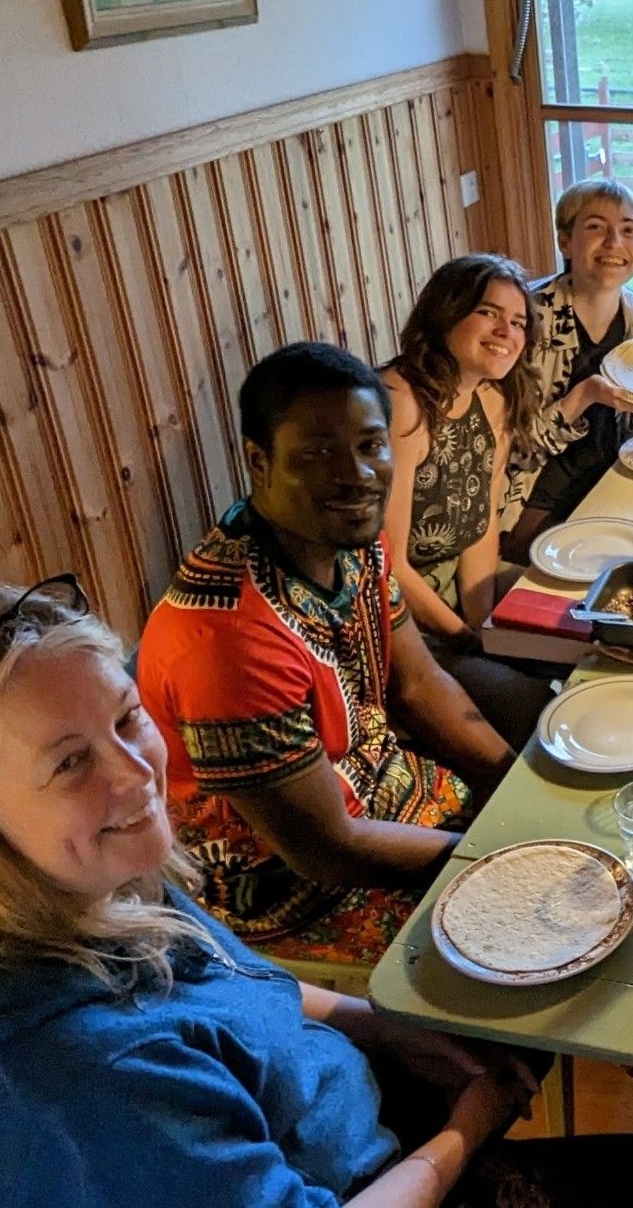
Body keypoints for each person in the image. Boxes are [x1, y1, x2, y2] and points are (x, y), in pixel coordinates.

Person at [0, 579, 633, 1206]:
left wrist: (381, 1026)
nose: (137, 775)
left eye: (126, 719)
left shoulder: (78, 884)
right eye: (68, 761)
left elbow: (238, 985)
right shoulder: (66, 1088)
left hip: (329, 1116)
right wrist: (472, 1125)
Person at [139, 342, 516, 965]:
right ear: (260, 462)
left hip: (392, 794)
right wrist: (494, 859)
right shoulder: (226, 642)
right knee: (519, 936)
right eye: (318, 454)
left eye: (370, 446)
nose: (358, 475)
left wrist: (515, 783)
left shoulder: (353, 545)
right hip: (290, 887)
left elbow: (418, 687)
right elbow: (325, 848)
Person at [377, 255, 556, 746]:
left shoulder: (492, 400)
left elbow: (480, 530)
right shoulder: (401, 401)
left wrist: (486, 627)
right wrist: (466, 639)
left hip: (459, 604)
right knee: (533, 707)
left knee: (592, 625)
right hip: (401, 624)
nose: (506, 331)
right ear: (446, 314)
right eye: (489, 313)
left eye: (518, 322)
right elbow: (386, 565)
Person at [506, 179, 633, 555]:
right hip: (536, 497)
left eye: (629, 230)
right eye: (596, 227)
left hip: (616, 485)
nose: (614, 242)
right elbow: (511, 451)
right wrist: (583, 396)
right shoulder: (525, 318)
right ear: (565, 242)